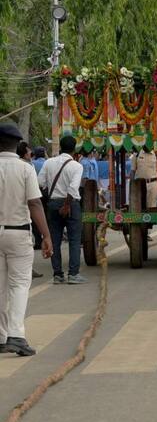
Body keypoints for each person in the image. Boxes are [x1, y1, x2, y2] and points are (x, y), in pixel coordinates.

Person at [0, 122, 53, 357]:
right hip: (19, 233)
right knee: (19, 285)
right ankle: (16, 336)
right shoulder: (25, 168)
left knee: (0, 288)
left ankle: (1, 337)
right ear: (18, 145)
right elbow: (34, 203)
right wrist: (47, 235)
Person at [38, 135, 85, 284]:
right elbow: (73, 188)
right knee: (74, 240)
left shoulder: (48, 163)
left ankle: (57, 275)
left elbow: (40, 183)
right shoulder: (77, 166)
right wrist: (66, 206)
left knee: (55, 240)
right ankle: (73, 274)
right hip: (71, 205)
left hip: (53, 204)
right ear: (74, 149)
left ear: (60, 147)